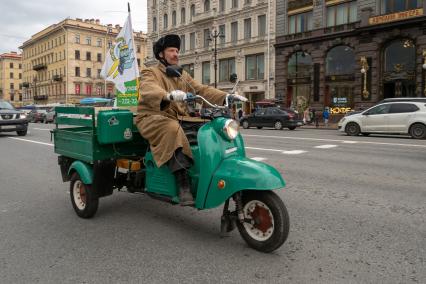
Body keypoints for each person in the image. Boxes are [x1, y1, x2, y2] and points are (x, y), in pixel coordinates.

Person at [136, 34, 245, 206]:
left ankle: (203, 173)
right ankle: (183, 183)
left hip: (178, 117)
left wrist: (227, 96)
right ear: (161, 55)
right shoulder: (151, 72)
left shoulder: (182, 75)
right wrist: (167, 95)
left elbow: (201, 90)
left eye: (177, 50)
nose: (176, 54)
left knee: (208, 128)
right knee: (173, 129)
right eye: (171, 50)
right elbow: (148, 89)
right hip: (153, 117)